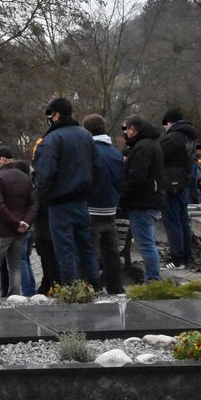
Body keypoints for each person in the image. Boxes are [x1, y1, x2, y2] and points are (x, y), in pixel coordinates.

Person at [32, 97, 100, 288]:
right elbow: (97, 167)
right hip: (82, 201)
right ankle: (94, 285)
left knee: (65, 250)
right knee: (86, 247)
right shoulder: (86, 136)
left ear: (57, 114)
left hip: (59, 203)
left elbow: (44, 175)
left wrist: (42, 198)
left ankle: (70, 289)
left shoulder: (51, 140)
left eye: (50, 114)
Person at [119, 115, 165, 282]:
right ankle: (153, 277)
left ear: (133, 129)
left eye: (126, 129)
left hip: (142, 202)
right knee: (148, 242)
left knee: (146, 244)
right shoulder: (152, 144)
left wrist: (124, 198)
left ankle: (153, 279)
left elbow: (136, 177)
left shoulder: (142, 147)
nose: (126, 133)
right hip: (150, 200)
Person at [82, 113, 125, 294]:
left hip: (91, 208)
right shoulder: (115, 152)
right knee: (111, 252)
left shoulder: (89, 152)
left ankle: (92, 287)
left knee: (89, 251)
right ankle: (116, 287)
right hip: (110, 208)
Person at [0, 155, 37, 296]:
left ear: (3, 160)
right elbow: (33, 204)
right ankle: (15, 295)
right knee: (15, 265)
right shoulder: (25, 177)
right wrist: (25, 221)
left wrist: (14, 222)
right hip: (19, 231)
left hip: (0, 230)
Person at [160, 108, 197, 270]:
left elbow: (158, 156)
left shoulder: (173, 138)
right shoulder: (189, 137)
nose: (164, 129)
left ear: (169, 122)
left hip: (170, 184)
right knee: (183, 222)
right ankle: (186, 256)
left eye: (164, 125)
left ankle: (177, 258)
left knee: (172, 221)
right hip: (184, 183)